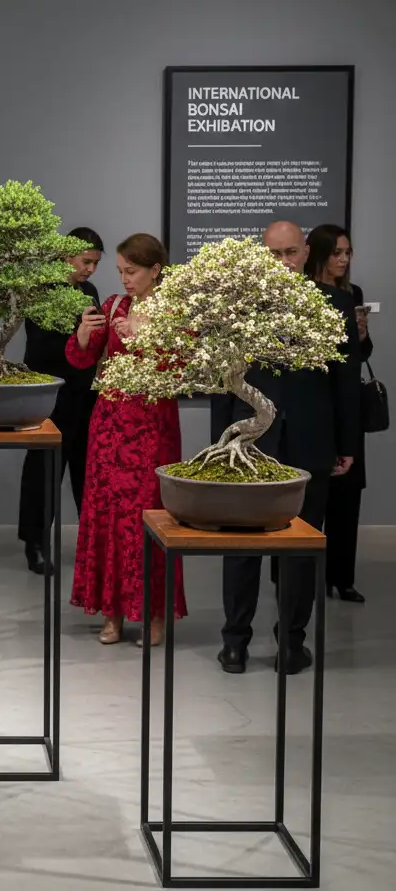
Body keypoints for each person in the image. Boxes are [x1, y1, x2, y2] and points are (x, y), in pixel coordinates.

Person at [213, 220, 360, 675]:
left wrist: (346, 444)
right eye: (274, 253)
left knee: (299, 549)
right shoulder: (237, 305)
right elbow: (225, 382)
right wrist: (224, 441)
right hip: (253, 443)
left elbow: (345, 382)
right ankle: (235, 643)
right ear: (262, 254)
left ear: (305, 252)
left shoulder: (335, 302)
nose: (283, 262)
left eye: (291, 252)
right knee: (240, 546)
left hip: (311, 443)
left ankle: (290, 645)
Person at [65, 233, 184, 645]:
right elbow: (83, 358)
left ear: (155, 270)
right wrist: (83, 334)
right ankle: (112, 612)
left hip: (153, 427)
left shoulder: (173, 311)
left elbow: (180, 370)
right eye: (120, 271)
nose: (124, 279)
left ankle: (154, 615)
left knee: (148, 519)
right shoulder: (113, 305)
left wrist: (141, 336)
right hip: (109, 426)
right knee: (108, 518)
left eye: (131, 271)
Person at [17, 226, 103, 574]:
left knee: (88, 472)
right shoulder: (40, 291)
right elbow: (37, 350)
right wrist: (77, 339)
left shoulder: (90, 291)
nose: (90, 270)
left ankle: (90, 544)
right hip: (50, 394)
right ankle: (34, 542)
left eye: (96, 263)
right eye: (86, 262)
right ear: (66, 255)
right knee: (44, 472)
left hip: (86, 393)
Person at [305, 223, 371, 603]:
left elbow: (357, 358)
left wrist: (361, 336)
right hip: (316, 405)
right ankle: (302, 578)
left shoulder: (352, 294)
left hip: (347, 406)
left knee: (347, 497)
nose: (344, 259)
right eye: (337, 253)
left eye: (348, 253)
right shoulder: (303, 294)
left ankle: (342, 577)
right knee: (308, 498)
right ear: (319, 253)